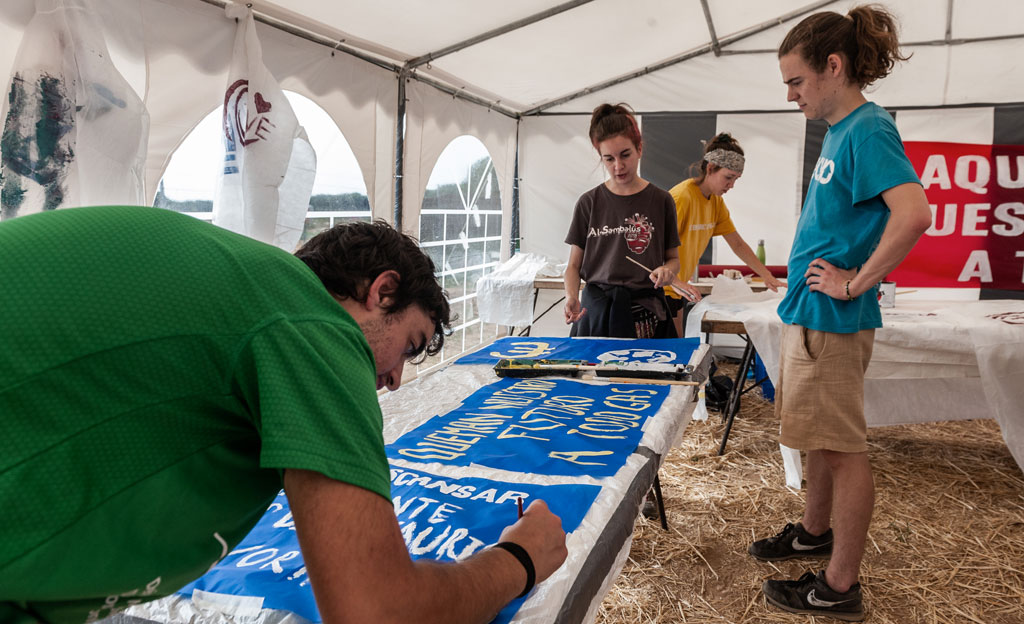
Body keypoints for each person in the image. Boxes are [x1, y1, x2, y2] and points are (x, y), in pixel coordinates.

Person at [0, 206, 568, 624]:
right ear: (382, 292)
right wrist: (518, 558)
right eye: (410, 346)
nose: (396, 377)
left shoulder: (251, 292)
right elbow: (377, 612)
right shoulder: (310, 323)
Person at [747, 6, 932, 621]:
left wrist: (855, 283)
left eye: (796, 81)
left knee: (841, 450)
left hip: (833, 319)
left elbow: (914, 213)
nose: (792, 95)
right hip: (814, 315)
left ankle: (839, 585)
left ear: (834, 66)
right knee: (823, 442)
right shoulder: (843, 131)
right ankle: (812, 532)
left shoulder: (870, 128)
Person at [563, 102, 682, 340]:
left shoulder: (661, 201)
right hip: (595, 316)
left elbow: (673, 259)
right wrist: (571, 296)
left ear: (639, 148)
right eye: (609, 159)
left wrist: (667, 271)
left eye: (625, 155)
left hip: (645, 319)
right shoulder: (589, 202)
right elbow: (573, 266)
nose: (618, 166)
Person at [665, 133, 784, 336]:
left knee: (678, 348)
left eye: (736, 179)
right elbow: (655, 247)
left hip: (678, 289)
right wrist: (675, 282)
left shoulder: (715, 202)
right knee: (673, 352)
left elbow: (737, 243)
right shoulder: (682, 197)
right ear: (710, 168)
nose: (731, 185)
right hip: (664, 289)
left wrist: (767, 276)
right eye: (728, 178)